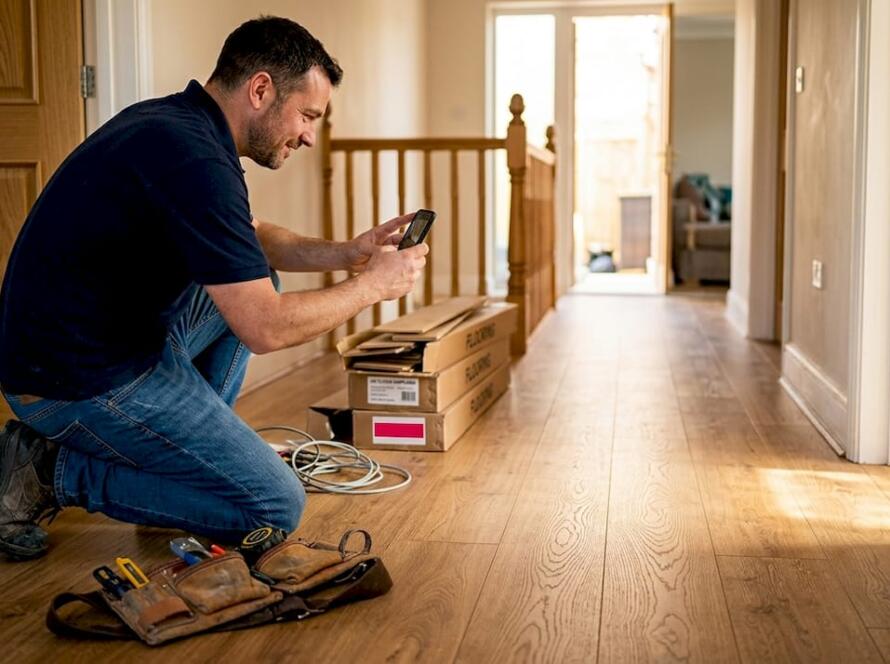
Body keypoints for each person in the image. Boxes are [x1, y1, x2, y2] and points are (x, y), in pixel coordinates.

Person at [0, 16, 428, 560]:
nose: (308, 136)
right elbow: (266, 327)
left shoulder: (179, 127)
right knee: (272, 509)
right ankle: (49, 469)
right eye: (307, 115)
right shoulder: (194, 157)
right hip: (73, 383)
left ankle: (189, 468)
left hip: (104, 344)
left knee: (257, 279)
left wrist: (348, 253)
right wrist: (370, 288)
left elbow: (250, 240)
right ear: (260, 89)